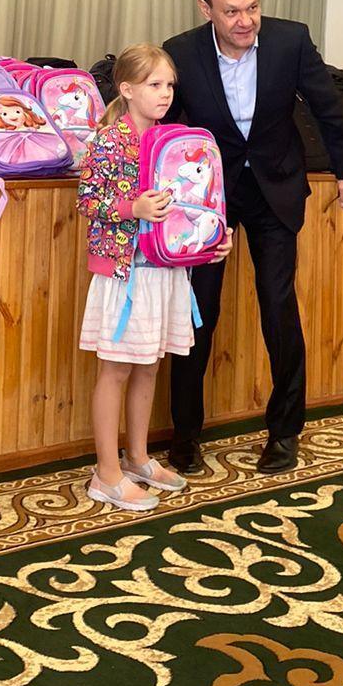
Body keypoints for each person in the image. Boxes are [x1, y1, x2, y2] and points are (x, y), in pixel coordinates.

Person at [164, 0, 343, 475]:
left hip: (276, 188)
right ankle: (184, 436)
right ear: (206, 9)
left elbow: (328, 107)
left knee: (278, 306)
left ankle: (285, 431)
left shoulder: (291, 41)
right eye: (232, 11)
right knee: (198, 312)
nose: (245, 20)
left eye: (252, 7)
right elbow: (165, 124)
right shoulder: (181, 52)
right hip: (210, 196)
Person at [76, 44, 232, 511]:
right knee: (116, 369)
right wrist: (133, 208)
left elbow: (195, 203)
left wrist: (211, 238)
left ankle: (138, 457)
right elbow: (87, 200)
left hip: (166, 270)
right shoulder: (108, 140)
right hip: (125, 274)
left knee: (150, 365)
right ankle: (106, 473)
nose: (165, 94)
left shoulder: (176, 142)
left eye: (169, 85)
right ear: (126, 89)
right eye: (154, 85)